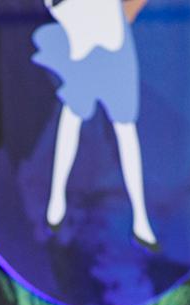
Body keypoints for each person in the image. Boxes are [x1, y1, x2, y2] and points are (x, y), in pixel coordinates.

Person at [33, 0, 157, 246]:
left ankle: (141, 219)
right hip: (82, 44)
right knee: (72, 117)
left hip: (114, 43)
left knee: (125, 130)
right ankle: (56, 201)